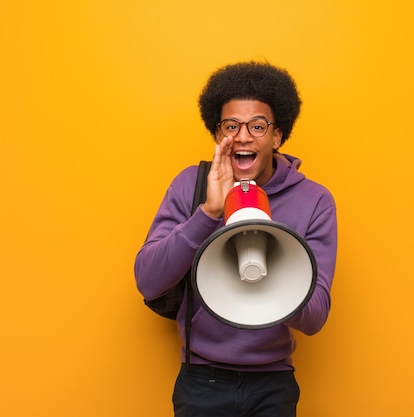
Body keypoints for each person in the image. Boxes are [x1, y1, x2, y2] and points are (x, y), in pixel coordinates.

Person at [134, 61, 337, 417]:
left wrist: (275, 266)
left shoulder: (315, 201)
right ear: (217, 134)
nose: (243, 137)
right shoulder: (190, 186)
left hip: (273, 384)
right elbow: (148, 281)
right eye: (231, 126)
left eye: (258, 126)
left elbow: (316, 316)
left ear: (277, 136)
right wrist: (209, 214)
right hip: (201, 381)